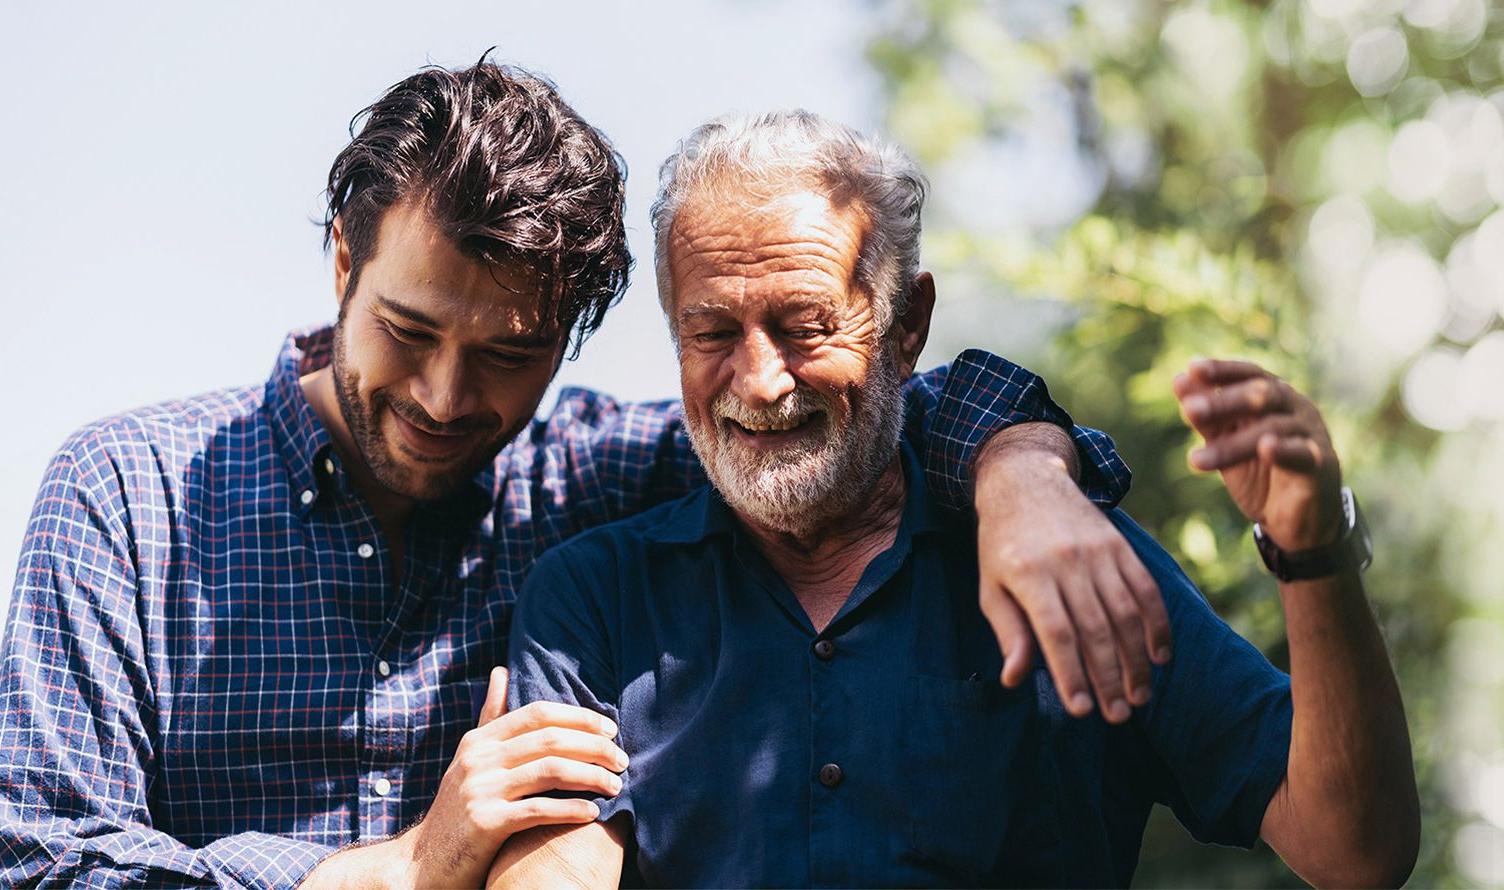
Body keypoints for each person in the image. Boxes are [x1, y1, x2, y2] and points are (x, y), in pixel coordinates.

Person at [0, 60, 1163, 889]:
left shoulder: (596, 481)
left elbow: (856, 406)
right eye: (408, 330)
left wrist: (1024, 472)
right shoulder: (125, 497)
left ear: (571, 336)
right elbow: (42, 860)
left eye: (509, 355)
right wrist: (401, 869)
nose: (449, 398)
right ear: (343, 260)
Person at [490, 109, 1420, 888]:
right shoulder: (594, 598)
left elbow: (1355, 849)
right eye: (711, 332)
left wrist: (1313, 550)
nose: (761, 380)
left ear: (908, 326)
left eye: (805, 325)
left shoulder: (1069, 555)